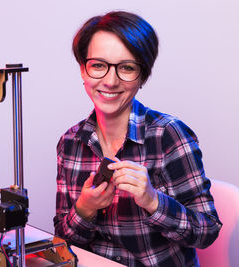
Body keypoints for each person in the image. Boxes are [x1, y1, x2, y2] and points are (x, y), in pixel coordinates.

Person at [53, 11, 222, 267]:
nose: (110, 81)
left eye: (127, 68)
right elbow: (63, 241)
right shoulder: (70, 143)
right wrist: (84, 209)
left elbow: (207, 231)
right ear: (83, 70)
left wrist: (153, 201)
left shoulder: (170, 136)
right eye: (98, 65)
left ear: (142, 76)